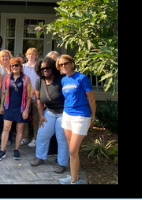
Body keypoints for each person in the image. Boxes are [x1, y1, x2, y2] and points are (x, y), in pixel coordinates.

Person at [58, 54, 96, 185]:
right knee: (72, 151)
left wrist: (93, 116)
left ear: (71, 63)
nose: (64, 66)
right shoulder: (64, 80)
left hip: (81, 116)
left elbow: (91, 99)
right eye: (61, 65)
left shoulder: (81, 78)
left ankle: (74, 181)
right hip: (67, 115)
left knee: (73, 150)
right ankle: (74, 177)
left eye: (65, 63)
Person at [31, 56, 69, 172]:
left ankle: (62, 163)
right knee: (42, 134)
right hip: (50, 112)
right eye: (42, 69)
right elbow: (39, 99)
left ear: (52, 67)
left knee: (61, 138)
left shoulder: (61, 79)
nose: (45, 70)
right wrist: (42, 115)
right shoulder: (39, 81)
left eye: (47, 68)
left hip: (63, 113)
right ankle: (40, 157)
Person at [0, 57, 33, 162]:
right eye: (12, 65)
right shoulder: (7, 78)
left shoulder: (26, 78)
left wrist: (26, 110)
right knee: (6, 128)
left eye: (16, 65)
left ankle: (16, 149)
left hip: (21, 107)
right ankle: (2, 150)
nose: (14, 67)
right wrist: (1, 106)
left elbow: (29, 96)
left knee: (19, 129)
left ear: (20, 66)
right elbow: (3, 92)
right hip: (9, 106)